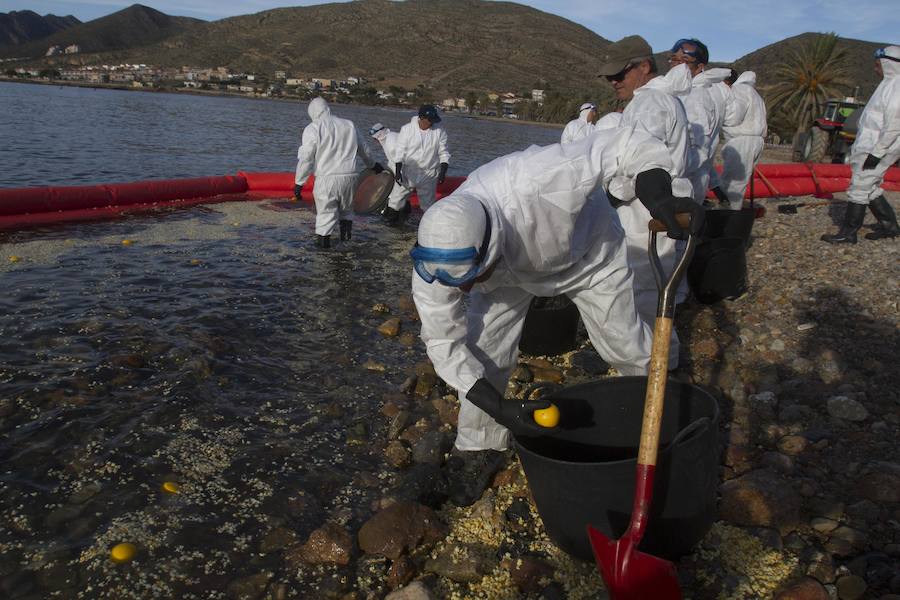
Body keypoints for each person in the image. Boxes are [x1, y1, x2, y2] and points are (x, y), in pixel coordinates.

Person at [411, 126, 703, 506]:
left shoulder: (542, 178)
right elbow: (443, 341)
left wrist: (660, 197)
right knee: (483, 352)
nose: (460, 291)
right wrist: (501, 408)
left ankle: (662, 411)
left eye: (467, 280)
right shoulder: (437, 252)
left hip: (589, 258)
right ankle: (479, 444)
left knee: (624, 344)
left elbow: (629, 143)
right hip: (506, 279)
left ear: (489, 246)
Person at [598, 35, 693, 354]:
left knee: (642, 288)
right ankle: (663, 360)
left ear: (644, 66)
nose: (613, 82)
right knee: (657, 287)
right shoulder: (667, 101)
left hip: (646, 206)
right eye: (610, 76)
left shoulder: (648, 104)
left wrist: (611, 194)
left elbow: (639, 163)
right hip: (661, 199)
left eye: (619, 74)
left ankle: (653, 368)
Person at [822, 45, 900, 243]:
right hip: (872, 143)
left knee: (859, 186)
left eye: (878, 65)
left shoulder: (896, 87)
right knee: (870, 185)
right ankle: (889, 226)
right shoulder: (888, 84)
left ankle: (848, 233)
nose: (875, 69)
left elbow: (894, 125)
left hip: (878, 146)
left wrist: (878, 152)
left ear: (888, 64)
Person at [294, 97, 381, 248]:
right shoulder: (349, 125)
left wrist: (299, 183)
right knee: (347, 213)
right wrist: (373, 165)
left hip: (327, 179)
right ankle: (346, 246)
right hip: (350, 177)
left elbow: (306, 158)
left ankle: (324, 254)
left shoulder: (313, 128)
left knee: (325, 218)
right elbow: (364, 149)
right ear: (327, 108)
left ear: (313, 113)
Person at [669, 38, 732, 204]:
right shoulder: (683, 92)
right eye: (674, 59)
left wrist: (667, 171)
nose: (677, 65)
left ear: (699, 67)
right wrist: (717, 187)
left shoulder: (696, 97)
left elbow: (698, 150)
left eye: (685, 61)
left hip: (685, 183)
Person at [382, 105, 451, 226]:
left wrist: (443, 171)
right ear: (421, 118)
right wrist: (398, 172)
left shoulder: (440, 131)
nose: (431, 123)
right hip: (409, 171)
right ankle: (391, 227)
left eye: (433, 120)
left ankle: (426, 229)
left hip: (429, 173)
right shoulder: (407, 129)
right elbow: (400, 151)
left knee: (428, 205)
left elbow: (443, 152)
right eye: (429, 120)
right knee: (396, 200)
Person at [717, 71, 767, 210]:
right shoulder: (757, 96)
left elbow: (734, 115)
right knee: (741, 181)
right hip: (757, 141)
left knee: (732, 183)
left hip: (741, 140)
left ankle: (728, 216)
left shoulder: (739, 90)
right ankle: (732, 213)